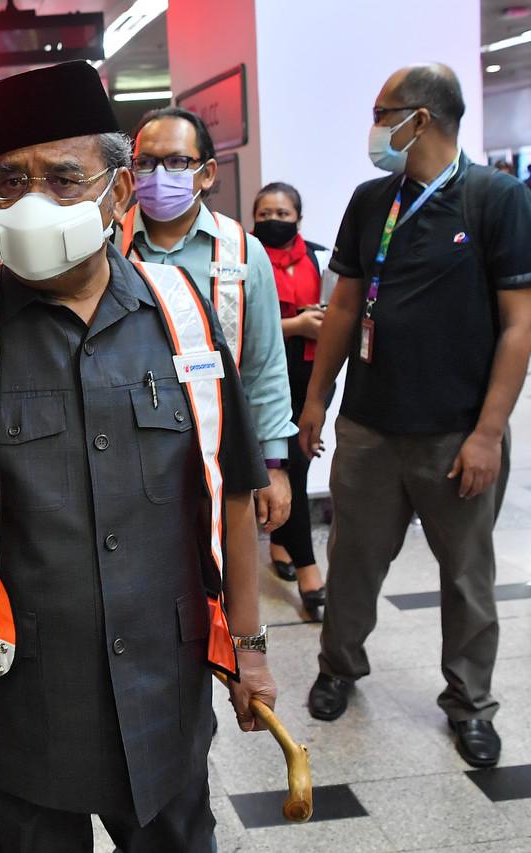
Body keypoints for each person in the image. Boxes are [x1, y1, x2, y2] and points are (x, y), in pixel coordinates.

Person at [0, 61, 276, 853]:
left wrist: (252, 647)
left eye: (64, 179)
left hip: (166, 690)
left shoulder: (185, 318)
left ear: (119, 192)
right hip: (27, 704)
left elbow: (231, 493)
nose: (34, 202)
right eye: (11, 181)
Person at [300, 63, 531, 770]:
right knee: (352, 567)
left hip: (457, 434)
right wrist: (317, 397)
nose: (376, 127)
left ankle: (470, 704)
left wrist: (488, 433)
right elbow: (343, 305)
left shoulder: (496, 198)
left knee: (466, 578)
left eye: (383, 112)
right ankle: (339, 667)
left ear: (421, 119)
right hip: (370, 429)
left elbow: (519, 325)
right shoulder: (373, 201)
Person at [118, 107, 296, 537]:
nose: (160, 174)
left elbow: (264, 364)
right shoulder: (109, 247)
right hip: (125, 455)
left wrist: (273, 465)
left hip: (220, 452)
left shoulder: (243, 253)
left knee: (224, 587)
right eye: (146, 162)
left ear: (207, 173)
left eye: (177, 161)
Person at [252, 183, 329, 621]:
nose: (273, 220)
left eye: (282, 212)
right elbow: (242, 327)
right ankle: (308, 571)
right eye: (264, 213)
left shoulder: (320, 257)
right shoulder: (242, 257)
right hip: (266, 381)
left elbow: (341, 313)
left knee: (298, 468)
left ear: (299, 217)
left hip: (314, 382)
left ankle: (281, 542)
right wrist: (298, 324)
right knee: (292, 470)